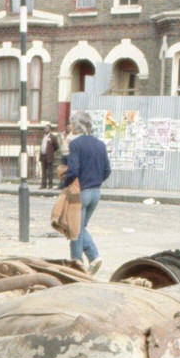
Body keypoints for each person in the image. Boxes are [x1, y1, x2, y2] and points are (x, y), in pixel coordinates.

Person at [61, 111, 111, 274]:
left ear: (76, 126)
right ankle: (84, 259)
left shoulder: (76, 144)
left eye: (71, 123)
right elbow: (107, 170)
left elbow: (74, 170)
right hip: (96, 193)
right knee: (80, 227)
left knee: (76, 228)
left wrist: (65, 183)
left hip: (80, 192)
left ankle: (80, 262)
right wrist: (96, 181)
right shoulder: (100, 144)